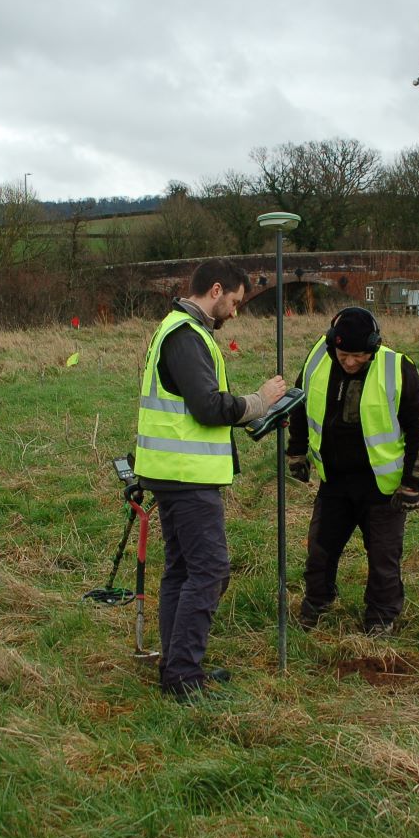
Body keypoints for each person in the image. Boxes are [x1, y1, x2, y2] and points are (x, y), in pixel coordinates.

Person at [134, 259, 286, 700]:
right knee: (210, 570)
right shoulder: (185, 336)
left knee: (182, 570)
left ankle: (176, 666)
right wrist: (260, 401)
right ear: (216, 290)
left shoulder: (179, 330)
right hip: (186, 477)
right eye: (235, 302)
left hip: (174, 474)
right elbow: (208, 407)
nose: (236, 312)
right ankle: (182, 675)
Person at [285, 306, 419, 635]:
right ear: (332, 346)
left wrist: (413, 481)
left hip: (382, 488)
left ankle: (381, 618)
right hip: (334, 481)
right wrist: (295, 452)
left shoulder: (397, 368)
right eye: (343, 354)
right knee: (320, 549)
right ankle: (316, 604)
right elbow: (298, 405)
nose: (350, 362)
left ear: (374, 348)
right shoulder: (316, 360)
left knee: (383, 557)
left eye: (359, 355)